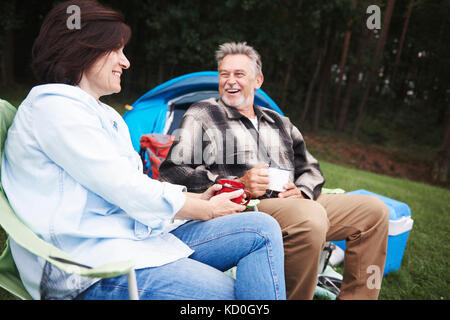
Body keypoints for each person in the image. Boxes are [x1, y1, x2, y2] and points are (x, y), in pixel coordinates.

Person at [1, 3, 286, 300]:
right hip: (89, 267)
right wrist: (204, 209)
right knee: (230, 297)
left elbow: (131, 183)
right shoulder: (55, 109)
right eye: (117, 50)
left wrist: (196, 199)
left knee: (262, 229)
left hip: (131, 240)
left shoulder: (96, 111)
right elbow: (124, 187)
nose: (126, 62)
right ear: (85, 49)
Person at [159, 42, 390, 300]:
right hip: (246, 205)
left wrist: (302, 191)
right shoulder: (204, 113)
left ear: (258, 80)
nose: (230, 81)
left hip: (292, 200)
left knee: (374, 211)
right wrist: (239, 183)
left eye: (239, 74)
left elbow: (310, 168)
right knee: (310, 217)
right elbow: (172, 173)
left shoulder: (279, 121)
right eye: (224, 74)